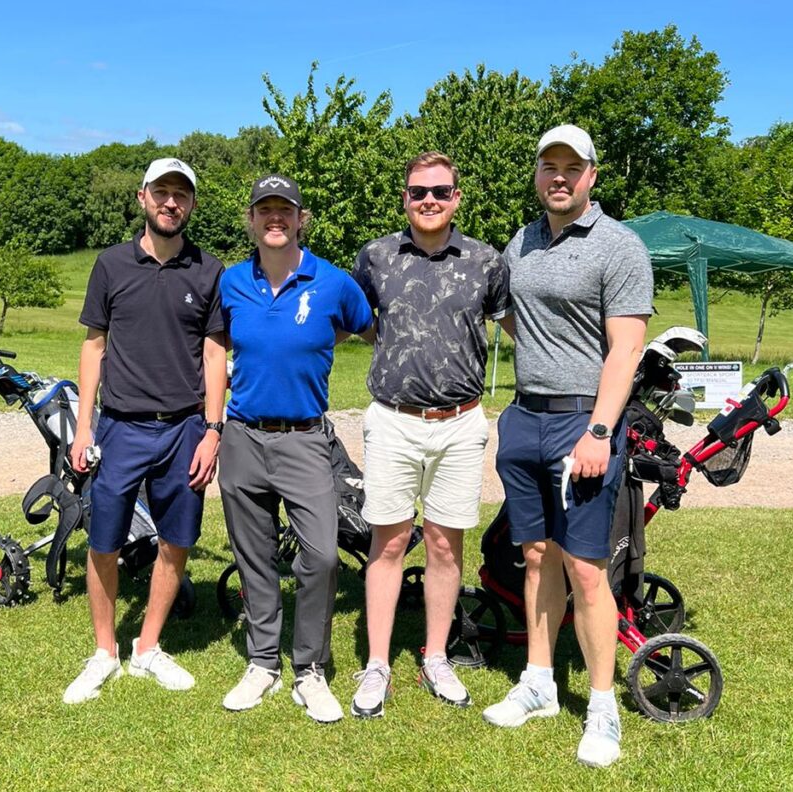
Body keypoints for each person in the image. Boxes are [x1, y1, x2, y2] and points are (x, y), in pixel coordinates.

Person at [481, 125, 653, 768]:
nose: (559, 177)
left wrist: (601, 430)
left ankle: (603, 708)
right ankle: (539, 683)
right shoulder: (520, 242)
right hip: (525, 419)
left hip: (584, 422)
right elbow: (511, 314)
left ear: (592, 175)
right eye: (548, 166)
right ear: (538, 174)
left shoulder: (619, 246)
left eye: (571, 167)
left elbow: (626, 348)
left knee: (585, 567)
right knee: (534, 556)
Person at [350, 152, 511, 718]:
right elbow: (354, 316)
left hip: (461, 422)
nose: (429, 201)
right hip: (393, 419)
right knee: (389, 542)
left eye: (441, 191)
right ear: (405, 196)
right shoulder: (376, 257)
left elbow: (516, 323)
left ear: (457, 198)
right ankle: (376, 664)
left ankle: (437, 655)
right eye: (419, 191)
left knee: (446, 544)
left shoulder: (486, 261)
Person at [62, 158, 227, 704]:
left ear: (192, 205)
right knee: (104, 542)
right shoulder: (110, 265)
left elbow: (213, 352)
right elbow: (93, 346)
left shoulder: (209, 271)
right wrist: (83, 427)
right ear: (142, 198)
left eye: (181, 194)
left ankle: (147, 647)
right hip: (120, 428)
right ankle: (104, 651)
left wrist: (212, 430)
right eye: (162, 192)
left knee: (177, 542)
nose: (171, 202)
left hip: (184, 429)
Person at [218, 174, 373, 723]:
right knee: (254, 556)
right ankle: (263, 661)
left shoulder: (332, 282)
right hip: (241, 436)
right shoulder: (232, 282)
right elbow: (215, 348)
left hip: (306, 438)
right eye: (265, 210)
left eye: (285, 209)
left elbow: (369, 330)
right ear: (252, 219)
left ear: (301, 218)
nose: (275, 218)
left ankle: (309, 669)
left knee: (323, 555)